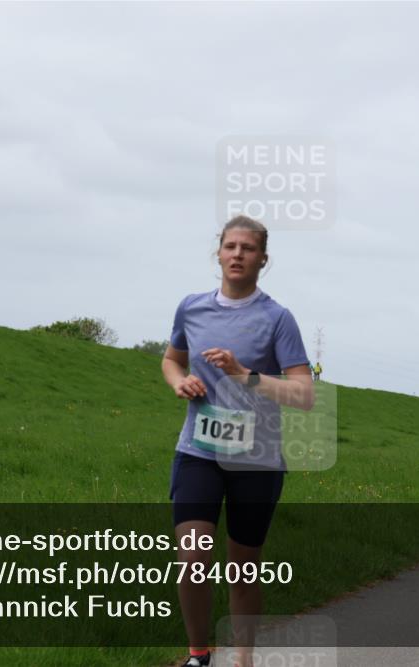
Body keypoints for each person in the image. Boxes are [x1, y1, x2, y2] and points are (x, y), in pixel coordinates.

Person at [162, 216, 314, 667]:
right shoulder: (191, 308)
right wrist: (179, 382)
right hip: (198, 451)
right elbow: (172, 360)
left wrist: (242, 374)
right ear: (218, 253)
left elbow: (304, 395)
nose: (237, 254)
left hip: (257, 459)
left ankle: (243, 657)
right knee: (193, 556)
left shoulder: (277, 318)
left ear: (262, 259)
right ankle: (198, 654)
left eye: (248, 248)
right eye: (230, 246)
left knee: (243, 567)